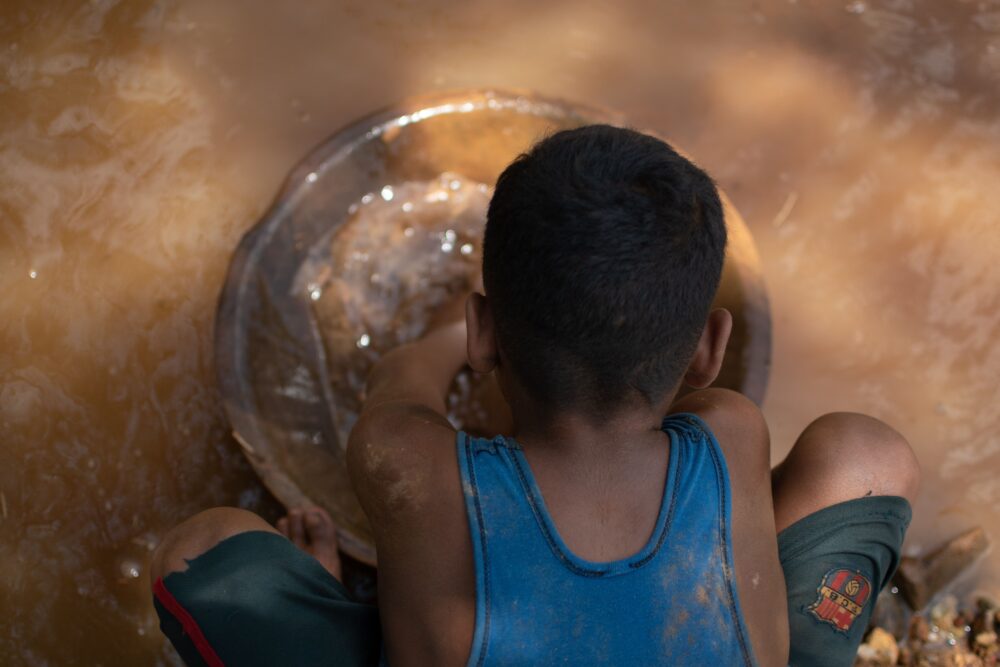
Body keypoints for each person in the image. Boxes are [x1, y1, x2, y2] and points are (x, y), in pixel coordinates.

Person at [150, 125, 920, 666]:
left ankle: (331, 599)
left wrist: (456, 336)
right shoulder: (731, 431)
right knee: (867, 454)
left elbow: (400, 386)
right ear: (710, 350)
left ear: (487, 334)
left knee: (199, 557)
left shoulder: (412, 465)